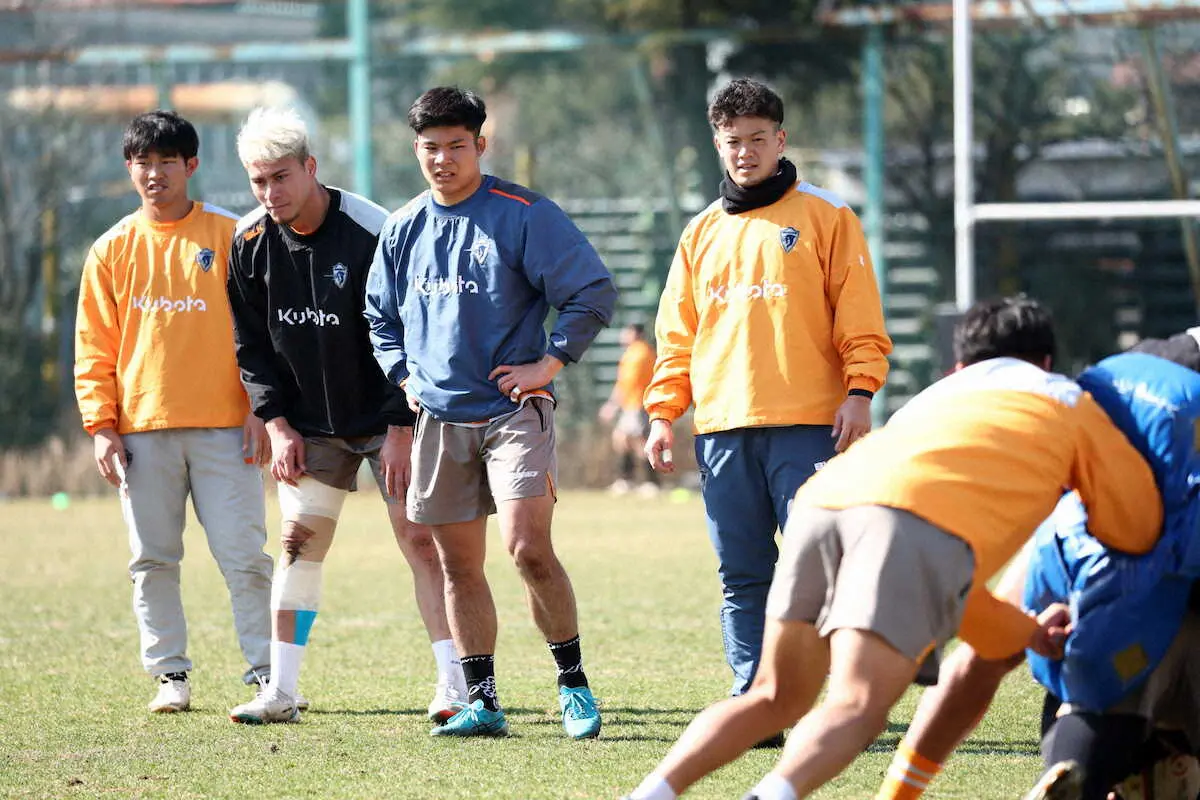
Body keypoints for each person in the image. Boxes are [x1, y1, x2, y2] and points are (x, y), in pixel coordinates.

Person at [624, 295, 1162, 800]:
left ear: (959, 366)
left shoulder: (930, 403)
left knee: (773, 696)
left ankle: (652, 792)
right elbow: (1135, 528)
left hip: (822, 502)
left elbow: (947, 587)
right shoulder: (1067, 401)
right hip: (905, 523)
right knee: (857, 706)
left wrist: (1026, 633)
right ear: (1046, 361)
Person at [365, 86, 617, 739]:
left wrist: (551, 362)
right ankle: (483, 700)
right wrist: (404, 377)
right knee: (457, 565)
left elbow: (591, 291)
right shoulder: (402, 228)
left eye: (456, 146)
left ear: (481, 144)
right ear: (415, 150)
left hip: (513, 414)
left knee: (528, 549)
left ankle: (573, 686)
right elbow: (379, 320)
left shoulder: (524, 213)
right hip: (441, 419)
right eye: (430, 148)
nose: (443, 160)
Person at [642, 77, 892, 699]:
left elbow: (860, 317)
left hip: (811, 425)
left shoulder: (827, 216)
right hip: (723, 428)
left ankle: (841, 696)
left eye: (758, 138)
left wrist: (860, 392)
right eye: (733, 141)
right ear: (717, 145)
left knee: (822, 570)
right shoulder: (699, 233)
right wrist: (662, 413)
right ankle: (756, 693)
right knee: (742, 572)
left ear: (781, 139)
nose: (745, 152)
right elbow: (678, 336)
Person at [874, 329, 1200, 800]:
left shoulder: (1121, 404)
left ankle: (1086, 762)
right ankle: (1110, 763)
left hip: (1087, 532)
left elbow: (977, 663)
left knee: (1075, 667)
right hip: (1126, 531)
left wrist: (899, 793)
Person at [222, 107, 467, 725]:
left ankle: (455, 686)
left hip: (389, 418)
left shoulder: (373, 230)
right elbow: (249, 346)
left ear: (310, 168)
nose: (270, 193)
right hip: (307, 427)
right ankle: (281, 691)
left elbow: (409, 333)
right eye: (258, 181)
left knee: (420, 542)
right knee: (298, 544)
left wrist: (399, 427)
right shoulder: (248, 244)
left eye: (281, 177)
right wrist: (276, 424)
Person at [74, 110, 274, 714]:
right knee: (153, 559)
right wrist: (101, 426)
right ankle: (170, 676)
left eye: (167, 161)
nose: (154, 173)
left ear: (191, 165)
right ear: (128, 168)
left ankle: (270, 673)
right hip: (142, 430)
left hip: (226, 427)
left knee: (245, 557)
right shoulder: (111, 249)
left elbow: (264, 332)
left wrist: (263, 409)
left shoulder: (233, 235)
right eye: (143, 162)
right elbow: (95, 346)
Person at [598, 323, 658, 495]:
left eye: (626, 332)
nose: (622, 336)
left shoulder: (639, 353)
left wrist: (612, 406)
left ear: (635, 334)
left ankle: (650, 483)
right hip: (631, 405)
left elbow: (628, 383)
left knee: (638, 441)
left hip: (637, 404)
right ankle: (627, 480)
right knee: (622, 439)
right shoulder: (633, 353)